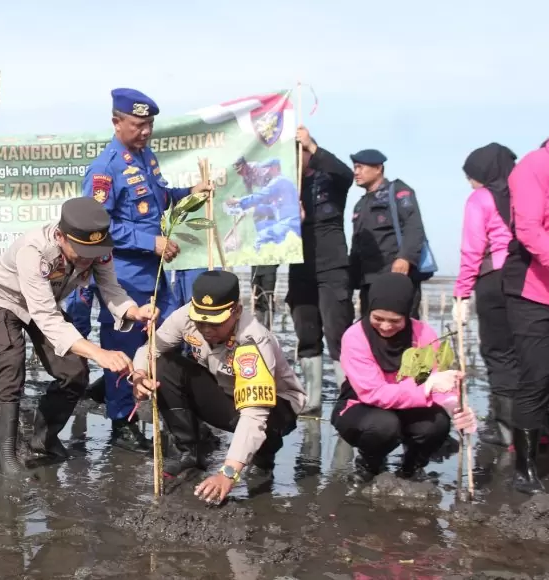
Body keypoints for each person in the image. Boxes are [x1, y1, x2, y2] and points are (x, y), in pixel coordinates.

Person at [0, 197, 157, 476]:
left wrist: (134, 311)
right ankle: (6, 456)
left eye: (92, 251)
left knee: (74, 371)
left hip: (42, 304)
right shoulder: (34, 251)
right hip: (0, 298)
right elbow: (46, 317)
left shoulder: (99, 250)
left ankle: (43, 438)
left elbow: (111, 289)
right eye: (81, 251)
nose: (87, 258)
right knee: (11, 361)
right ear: (60, 236)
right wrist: (99, 353)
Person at [82, 88, 213, 452]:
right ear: (116, 122)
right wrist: (149, 241)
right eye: (138, 125)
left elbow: (159, 198)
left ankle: (173, 416)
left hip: (157, 275)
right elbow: (96, 226)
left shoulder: (146, 157)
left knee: (168, 343)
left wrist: (191, 193)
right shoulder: (104, 170)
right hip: (122, 278)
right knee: (123, 348)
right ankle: (122, 425)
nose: (145, 132)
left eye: (150, 125)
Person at [130, 270, 305, 503]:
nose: (206, 329)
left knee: (262, 427)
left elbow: (254, 415)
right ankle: (189, 452)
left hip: (273, 406)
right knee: (163, 366)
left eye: (215, 323)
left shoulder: (253, 341)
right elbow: (151, 349)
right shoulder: (185, 317)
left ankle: (264, 453)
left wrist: (228, 473)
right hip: (226, 394)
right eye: (200, 321)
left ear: (237, 311)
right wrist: (140, 374)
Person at [331, 272, 475, 484]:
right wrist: (428, 386)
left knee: (437, 424)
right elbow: (374, 393)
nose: (386, 326)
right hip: (361, 406)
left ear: (407, 315)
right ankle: (371, 463)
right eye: (378, 318)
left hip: (409, 405)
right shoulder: (355, 336)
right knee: (384, 425)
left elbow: (437, 380)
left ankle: (411, 467)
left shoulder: (423, 333)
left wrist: (456, 406)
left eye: (395, 321)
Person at [502, 112, 549, 494]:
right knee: (537, 377)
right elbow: (527, 227)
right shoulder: (535, 166)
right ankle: (524, 470)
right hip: (536, 291)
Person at [453, 143, 520, 448]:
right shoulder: (527, 193)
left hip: (495, 278)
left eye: (472, 176)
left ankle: (506, 430)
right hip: (530, 277)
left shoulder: (480, 199)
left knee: (499, 352)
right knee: (531, 352)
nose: (471, 182)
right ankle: (539, 427)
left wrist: (462, 293)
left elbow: (472, 249)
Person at [286, 126, 356, 416]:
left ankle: (348, 398)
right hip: (301, 267)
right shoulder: (287, 188)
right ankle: (312, 400)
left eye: (298, 154)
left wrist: (312, 146)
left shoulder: (330, 178)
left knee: (337, 331)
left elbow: (346, 174)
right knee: (306, 331)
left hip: (332, 266)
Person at [349, 150, 429, 319]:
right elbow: (357, 245)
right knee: (371, 330)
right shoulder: (360, 205)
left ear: (378, 168)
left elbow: (413, 226)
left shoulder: (398, 191)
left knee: (402, 328)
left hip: (396, 275)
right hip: (369, 280)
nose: (356, 172)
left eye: (360, 167)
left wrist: (405, 257)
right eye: (355, 167)